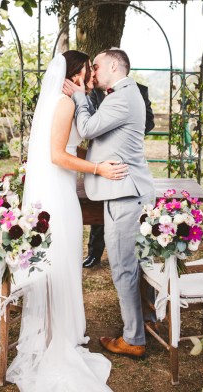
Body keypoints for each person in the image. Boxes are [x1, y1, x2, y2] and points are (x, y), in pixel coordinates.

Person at [7, 50, 127, 392]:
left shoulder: (73, 100)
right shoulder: (65, 104)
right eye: (89, 69)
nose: (93, 74)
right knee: (59, 262)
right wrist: (98, 168)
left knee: (65, 263)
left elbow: (73, 147)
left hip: (63, 194)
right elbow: (57, 155)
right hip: (59, 198)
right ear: (76, 72)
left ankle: (61, 331)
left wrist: (100, 158)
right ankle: (54, 339)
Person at [63, 48, 155, 359]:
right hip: (127, 191)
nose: (93, 73)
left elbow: (88, 129)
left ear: (114, 65)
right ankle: (147, 320)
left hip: (122, 193)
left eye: (98, 66)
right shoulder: (124, 94)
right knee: (136, 263)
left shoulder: (123, 96)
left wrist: (77, 97)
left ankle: (133, 339)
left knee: (123, 267)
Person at [84, 80, 155, 268]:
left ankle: (134, 256)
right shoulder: (94, 90)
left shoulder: (140, 90)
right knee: (101, 206)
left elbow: (149, 121)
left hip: (125, 157)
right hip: (101, 157)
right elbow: (91, 120)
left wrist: (123, 130)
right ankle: (94, 252)